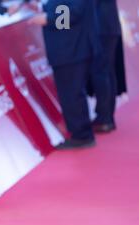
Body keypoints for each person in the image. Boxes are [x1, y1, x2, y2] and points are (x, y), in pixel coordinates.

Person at [29, 0, 100, 150]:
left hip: (70, 49)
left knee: (72, 93)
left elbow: (73, 13)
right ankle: (80, 133)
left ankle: (82, 135)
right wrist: (44, 8)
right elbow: (63, 8)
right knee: (70, 92)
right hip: (68, 48)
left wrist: (48, 18)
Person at [90, 0, 123, 133]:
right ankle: (107, 116)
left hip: (101, 26)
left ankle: (104, 117)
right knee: (107, 71)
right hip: (109, 25)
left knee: (100, 72)